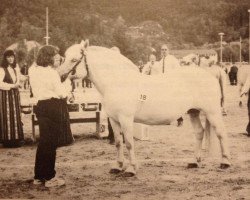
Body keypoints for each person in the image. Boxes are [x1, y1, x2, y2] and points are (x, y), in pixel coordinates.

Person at [29, 45, 74, 187]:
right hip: (53, 106)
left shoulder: (32, 70)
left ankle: (38, 176)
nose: (57, 58)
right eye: (54, 55)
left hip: (40, 106)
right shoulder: (51, 73)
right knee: (51, 143)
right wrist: (68, 82)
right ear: (48, 57)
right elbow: (61, 93)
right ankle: (49, 177)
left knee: (43, 142)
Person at [0, 50, 24, 148]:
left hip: (14, 95)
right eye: (8, 57)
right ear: (5, 58)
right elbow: (0, 84)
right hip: (5, 95)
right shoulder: (2, 69)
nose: (11, 59)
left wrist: (18, 84)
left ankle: (16, 139)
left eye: (12, 57)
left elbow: (18, 80)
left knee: (15, 116)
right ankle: (7, 140)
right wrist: (13, 85)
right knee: (7, 117)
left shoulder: (14, 69)